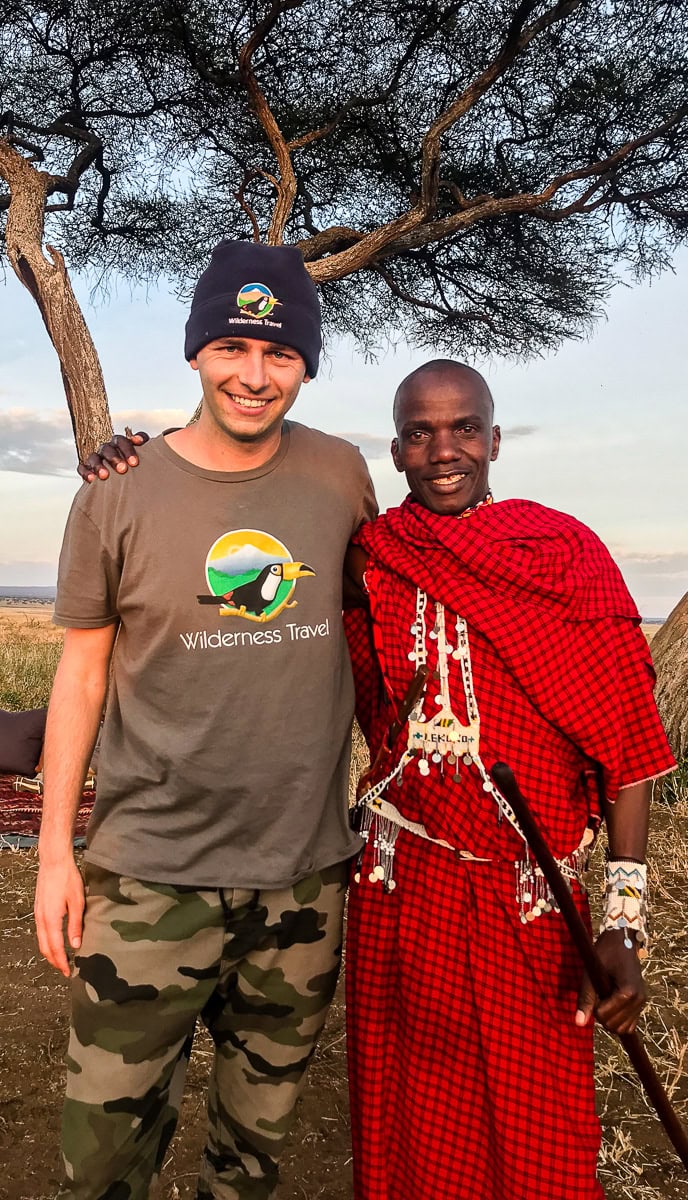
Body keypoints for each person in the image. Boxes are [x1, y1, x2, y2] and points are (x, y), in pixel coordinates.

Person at [34, 239, 376, 1200]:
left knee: (254, 1155)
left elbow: (379, 623)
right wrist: (57, 855)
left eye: (280, 355)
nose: (254, 376)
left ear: (305, 364)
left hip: (300, 882)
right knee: (103, 1160)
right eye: (232, 347)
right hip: (147, 876)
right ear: (195, 354)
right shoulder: (117, 493)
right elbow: (82, 677)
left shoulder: (342, 478)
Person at [341, 360, 676, 1200]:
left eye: (462, 430)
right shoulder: (374, 557)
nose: (442, 449)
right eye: (421, 432)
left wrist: (625, 927)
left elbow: (629, 753)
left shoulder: (565, 556)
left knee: (539, 1134)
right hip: (399, 884)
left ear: (494, 441)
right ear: (396, 450)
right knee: (408, 1108)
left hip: (528, 899)